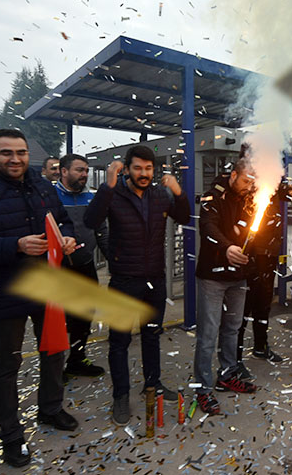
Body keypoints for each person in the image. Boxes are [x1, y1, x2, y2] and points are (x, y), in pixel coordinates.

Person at [0, 129, 79, 468]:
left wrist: (66, 238)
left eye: (21, 152)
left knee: (54, 351)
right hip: (3, 294)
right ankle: (11, 436)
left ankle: (51, 408)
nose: (15, 159)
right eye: (6, 153)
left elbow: (64, 222)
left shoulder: (42, 187)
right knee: (7, 365)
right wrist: (15, 246)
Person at [84, 145, 190, 423]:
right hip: (123, 280)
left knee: (151, 335)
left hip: (155, 279)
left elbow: (185, 217)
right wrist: (107, 186)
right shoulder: (114, 194)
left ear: (154, 170)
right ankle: (121, 395)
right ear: (127, 169)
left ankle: (152, 384)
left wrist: (178, 192)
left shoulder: (160, 194)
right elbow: (91, 220)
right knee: (119, 341)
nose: (144, 174)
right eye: (138, 168)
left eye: (148, 168)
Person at [192, 157, 259, 415]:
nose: (248, 186)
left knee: (232, 328)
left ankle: (227, 374)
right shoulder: (212, 197)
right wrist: (227, 247)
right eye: (244, 181)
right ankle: (202, 389)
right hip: (212, 276)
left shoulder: (250, 198)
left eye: (252, 182)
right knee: (208, 334)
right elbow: (207, 227)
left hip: (238, 275)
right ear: (233, 175)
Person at [237, 152, 292, 364]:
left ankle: (261, 345)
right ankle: (235, 355)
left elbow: (289, 194)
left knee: (263, 302)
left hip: (267, 255)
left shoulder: (268, 183)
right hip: (247, 256)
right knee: (243, 305)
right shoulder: (239, 186)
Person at [55, 154, 109, 379]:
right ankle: (54, 368)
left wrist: (113, 258)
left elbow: (102, 230)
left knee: (84, 315)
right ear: (64, 171)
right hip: (57, 270)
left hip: (85, 265)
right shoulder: (50, 197)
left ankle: (77, 359)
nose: (84, 175)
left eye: (86, 170)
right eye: (79, 170)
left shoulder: (91, 197)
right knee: (57, 318)